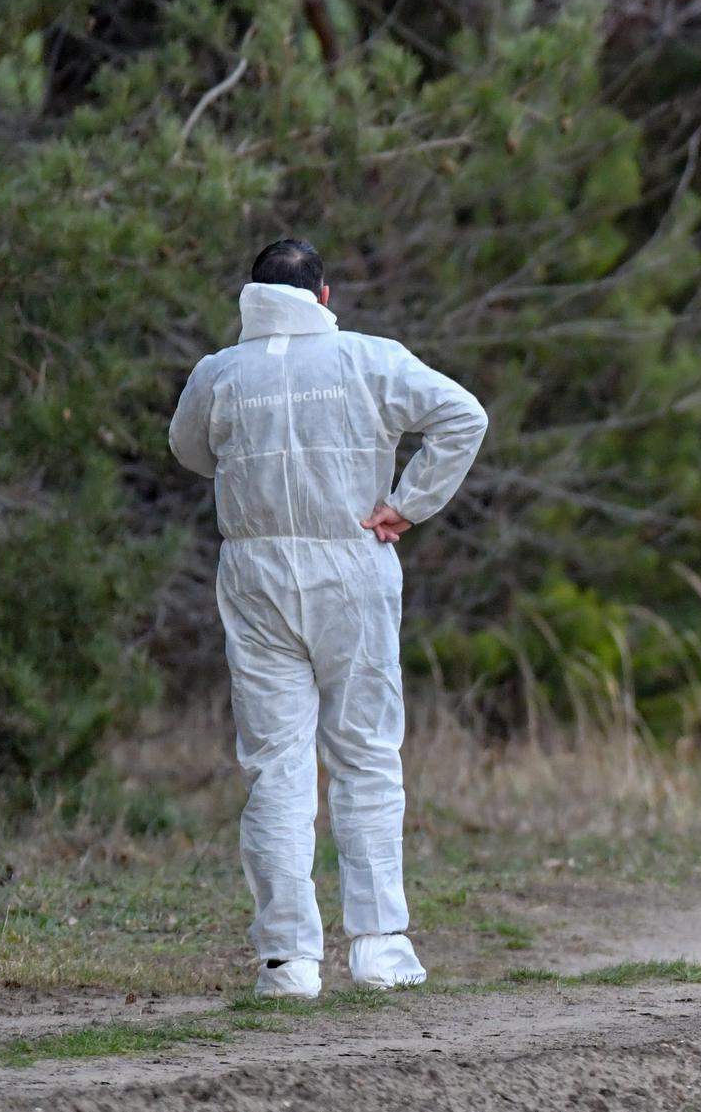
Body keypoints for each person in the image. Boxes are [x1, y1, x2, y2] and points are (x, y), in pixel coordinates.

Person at [169, 239, 488, 998]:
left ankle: (289, 961)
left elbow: (187, 449)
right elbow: (462, 415)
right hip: (353, 560)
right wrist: (408, 504)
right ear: (324, 293)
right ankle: (380, 947)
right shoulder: (368, 358)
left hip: (255, 572)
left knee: (275, 763)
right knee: (367, 755)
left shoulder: (219, 372)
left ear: (250, 294)